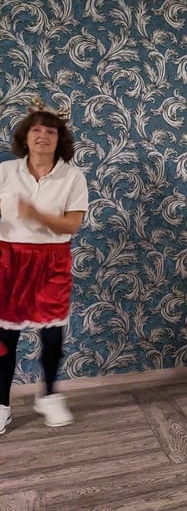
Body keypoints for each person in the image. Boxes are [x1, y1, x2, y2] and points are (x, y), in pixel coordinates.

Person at [0, 98, 89, 435]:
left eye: (50, 131)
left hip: (52, 259)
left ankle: (49, 396)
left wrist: (37, 215)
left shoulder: (72, 176)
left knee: (52, 336)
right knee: (5, 337)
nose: (43, 136)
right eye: (36, 130)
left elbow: (72, 225)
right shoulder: (5, 172)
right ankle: (2, 405)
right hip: (9, 258)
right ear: (25, 137)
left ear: (59, 139)